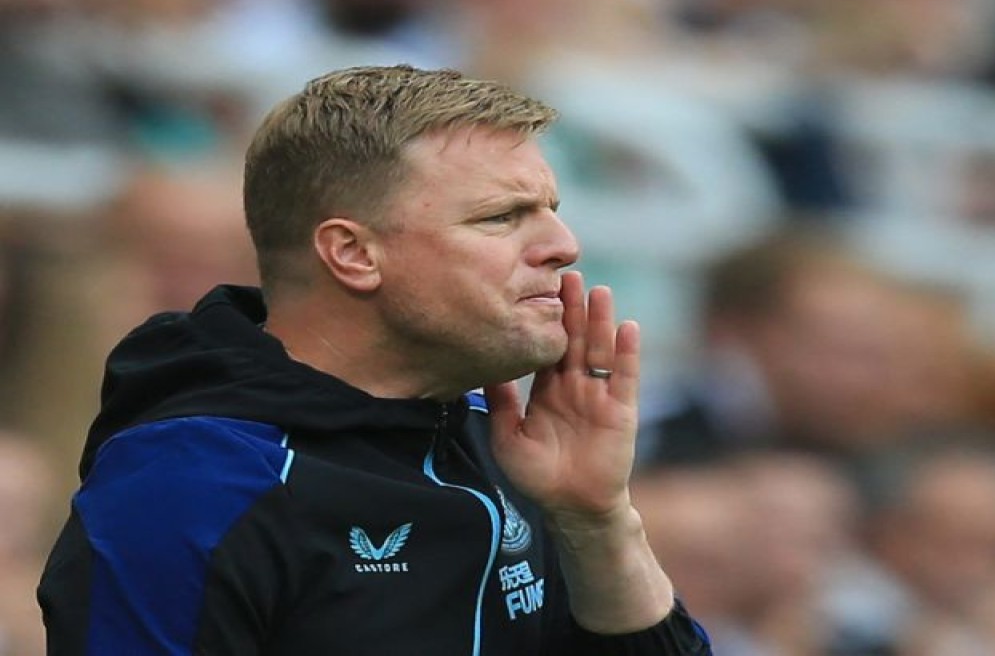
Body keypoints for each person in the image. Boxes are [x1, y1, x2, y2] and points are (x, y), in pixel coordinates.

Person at [37, 65, 711, 655]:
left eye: (552, 210)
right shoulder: (193, 485)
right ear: (354, 254)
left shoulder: (503, 442)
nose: (563, 243)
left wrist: (598, 518)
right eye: (502, 217)